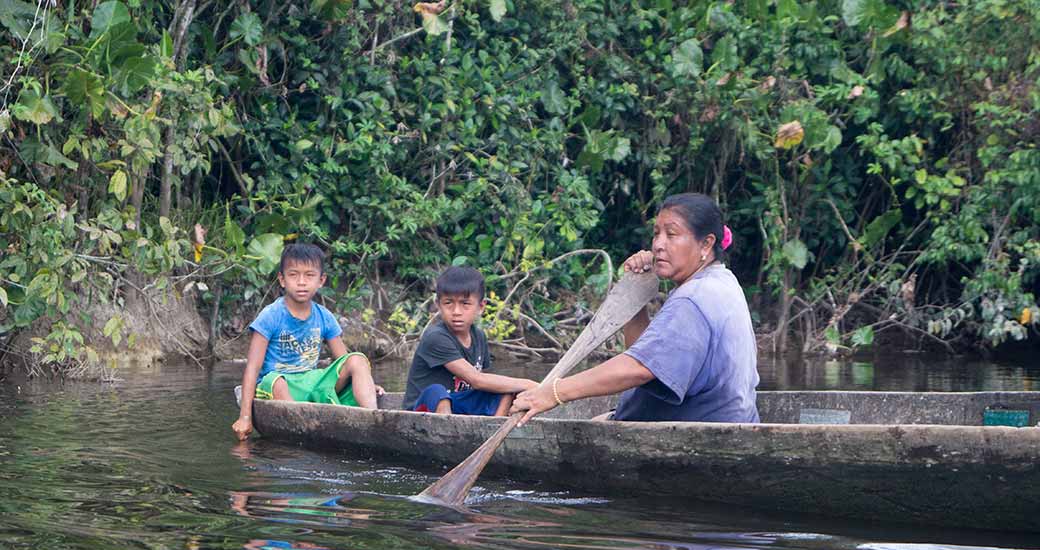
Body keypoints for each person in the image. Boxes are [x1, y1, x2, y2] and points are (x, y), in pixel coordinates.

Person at [511, 193, 759, 424]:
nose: (659, 245)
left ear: (706, 244)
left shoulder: (693, 299)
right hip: (722, 423)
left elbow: (640, 368)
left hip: (700, 429)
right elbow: (646, 355)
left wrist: (555, 392)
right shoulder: (721, 281)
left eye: (671, 235)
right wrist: (637, 295)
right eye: (657, 234)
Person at [232, 243, 381, 440]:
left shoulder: (324, 316)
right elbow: (252, 368)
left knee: (358, 359)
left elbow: (344, 361)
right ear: (282, 280)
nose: (301, 282)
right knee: (277, 381)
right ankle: (303, 430)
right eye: (294, 275)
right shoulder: (271, 316)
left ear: (321, 281)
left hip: (311, 382)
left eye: (309, 275)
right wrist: (245, 417)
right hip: (277, 384)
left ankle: (376, 422)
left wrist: (367, 382)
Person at [403, 266, 537, 415]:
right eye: (448, 303)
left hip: (459, 403)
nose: (456, 312)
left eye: (465, 304)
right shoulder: (436, 337)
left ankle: (493, 428)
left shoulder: (479, 336)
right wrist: (529, 384)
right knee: (437, 392)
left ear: (480, 307)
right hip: (424, 408)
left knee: (506, 390)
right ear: (438, 304)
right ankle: (446, 431)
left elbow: (485, 383)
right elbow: (477, 380)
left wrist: (518, 388)